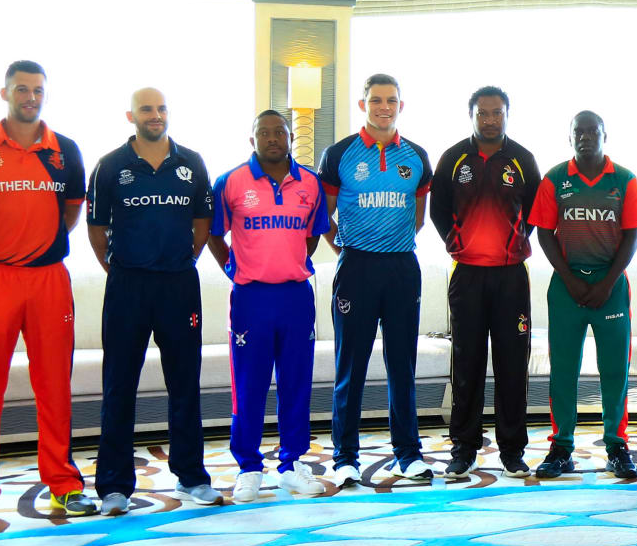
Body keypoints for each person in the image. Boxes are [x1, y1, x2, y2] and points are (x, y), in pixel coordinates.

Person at [0, 60, 92, 529]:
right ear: (4, 92)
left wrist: (39, 244)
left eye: (38, 90)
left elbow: (69, 213)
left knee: (54, 386)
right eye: (22, 89)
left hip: (49, 279)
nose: (30, 97)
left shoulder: (64, 151)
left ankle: (64, 485)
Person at [86, 88, 220, 515]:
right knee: (119, 385)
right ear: (131, 115)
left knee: (184, 383)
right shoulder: (110, 167)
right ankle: (113, 486)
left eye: (162, 108)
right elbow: (96, 228)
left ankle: (192, 476)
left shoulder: (192, 162)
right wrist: (119, 269)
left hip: (179, 285)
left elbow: (202, 223)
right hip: (128, 286)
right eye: (147, 109)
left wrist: (183, 260)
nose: (156, 115)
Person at [209, 110, 331, 502]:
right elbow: (213, 234)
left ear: (291, 137)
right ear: (253, 140)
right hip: (251, 298)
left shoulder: (310, 183)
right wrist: (237, 268)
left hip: (296, 296)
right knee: (249, 385)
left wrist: (289, 262)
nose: (273, 138)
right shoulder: (230, 183)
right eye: (264, 132)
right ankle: (248, 467)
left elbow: (312, 237)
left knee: (296, 383)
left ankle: (292, 465)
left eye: (280, 132)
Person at [318, 74, 433, 486]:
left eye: (391, 100)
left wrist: (390, 245)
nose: (383, 107)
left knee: (402, 365)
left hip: (402, 268)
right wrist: (349, 250)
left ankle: (408, 453)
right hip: (356, 269)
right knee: (351, 366)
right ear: (363, 103)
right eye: (376, 100)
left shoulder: (417, 156)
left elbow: (418, 218)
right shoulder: (339, 154)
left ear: (401, 106)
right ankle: (345, 456)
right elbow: (323, 217)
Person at [528, 111, 637, 480]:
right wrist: (570, 279)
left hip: (610, 289)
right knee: (563, 371)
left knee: (615, 371)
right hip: (567, 288)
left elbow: (632, 235)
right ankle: (561, 448)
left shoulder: (625, 180)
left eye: (591, 131)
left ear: (604, 135)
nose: (584, 137)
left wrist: (607, 283)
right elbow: (544, 233)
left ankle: (616, 446)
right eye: (577, 132)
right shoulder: (555, 179)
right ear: (570, 138)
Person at [431, 85, 541, 479]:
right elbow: (439, 210)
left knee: (513, 365)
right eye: (483, 113)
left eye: (497, 113)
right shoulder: (453, 158)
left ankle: (512, 450)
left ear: (507, 115)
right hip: (468, 275)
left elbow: (533, 214)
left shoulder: (523, 159)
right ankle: (464, 447)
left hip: (511, 277)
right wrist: (459, 242)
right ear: (472, 115)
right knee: (467, 363)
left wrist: (509, 244)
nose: (490, 119)